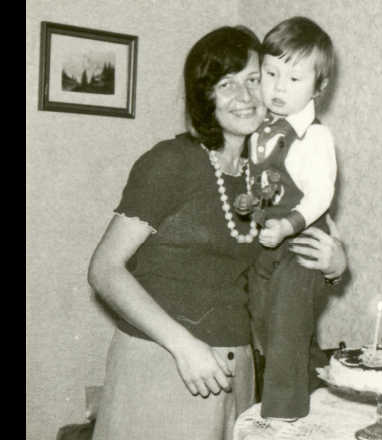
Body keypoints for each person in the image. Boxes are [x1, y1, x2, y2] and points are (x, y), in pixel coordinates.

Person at [87, 25, 346, 440]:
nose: (244, 97)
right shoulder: (171, 162)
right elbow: (104, 270)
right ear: (205, 96)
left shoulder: (268, 172)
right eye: (226, 84)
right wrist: (183, 346)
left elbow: (291, 261)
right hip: (166, 362)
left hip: (236, 369)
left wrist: (334, 265)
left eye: (253, 79)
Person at [240, 16, 337, 421]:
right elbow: (257, 181)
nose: (279, 87)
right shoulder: (257, 131)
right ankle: (308, 387)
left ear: (319, 87)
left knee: (285, 328)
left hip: (301, 245)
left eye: (294, 79)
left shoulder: (315, 137)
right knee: (262, 325)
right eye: (271, 73)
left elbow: (321, 194)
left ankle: (281, 418)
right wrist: (249, 203)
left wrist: (289, 224)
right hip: (266, 242)